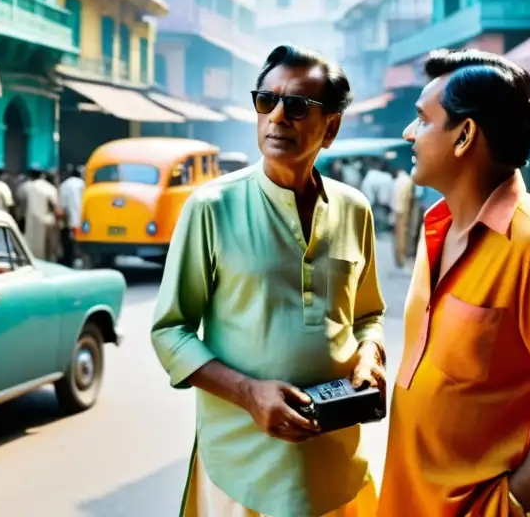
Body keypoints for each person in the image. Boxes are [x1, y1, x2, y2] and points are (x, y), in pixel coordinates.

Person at [378, 49, 530, 517]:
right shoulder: (437, 226)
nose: (409, 133)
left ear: (465, 135)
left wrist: (510, 504)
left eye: (422, 120)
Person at [151, 44, 385, 517]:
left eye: (297, 106)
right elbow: (169, 333)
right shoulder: (210, 207)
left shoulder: (354, 209)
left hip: (335, 459)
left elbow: (367, 315)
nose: (278, 116)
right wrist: (248, 393)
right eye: (266, 101)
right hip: (242, 466)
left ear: (332, 128)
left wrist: (370, 353)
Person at [21, 168, 59, 260]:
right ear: (42, 175)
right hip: (46, 221)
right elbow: (54, 206)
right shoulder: (49, 188)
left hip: (30, 222)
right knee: (47, 251)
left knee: (31, 246)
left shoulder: (25, 187)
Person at [59, 165, 84, 266]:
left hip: (68, 218)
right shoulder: (83, 184)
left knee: (68, 242)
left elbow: (62, 205)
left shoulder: (65, 184)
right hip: (83, 218)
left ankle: (68, 260)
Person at [360, 157, 394, 232]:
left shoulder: (371, 175)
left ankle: (376, 228)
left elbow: (365, 186)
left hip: (374, 200)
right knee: (377, 215)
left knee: (376, 215)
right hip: (377, 200)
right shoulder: (385, 176)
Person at [390, 165, 414, 267]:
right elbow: (409, 197)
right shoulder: (408, 181)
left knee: (397, 236)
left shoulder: (397, 181)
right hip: (404, 210)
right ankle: (402, 258)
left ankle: (398, 258)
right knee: (402, 235)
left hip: (396, 209)